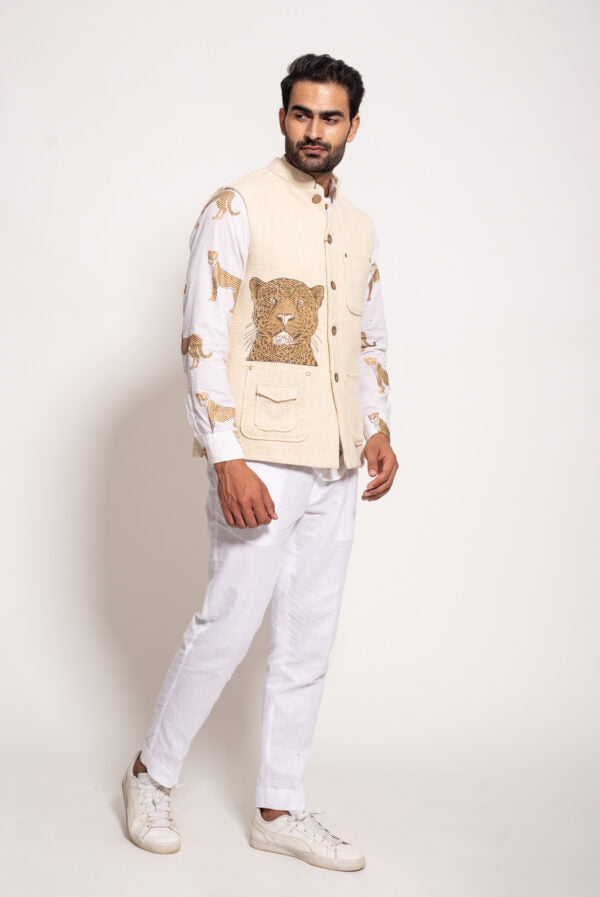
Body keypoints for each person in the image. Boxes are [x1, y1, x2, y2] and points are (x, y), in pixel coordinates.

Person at [122, 52, 397, 871]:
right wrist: (226, 457)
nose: (315, 130)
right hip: (261, 457)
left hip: (337, 462)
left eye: (331, 117)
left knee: (308, 641)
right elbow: (201, 338)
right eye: (302, 114)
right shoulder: (237, 205)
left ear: (353, 126)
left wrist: (377, 427)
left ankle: (279, 805)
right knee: (227, 626)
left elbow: (369, 337)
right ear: (283, 117)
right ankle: (150, 774)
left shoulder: (360, 227)